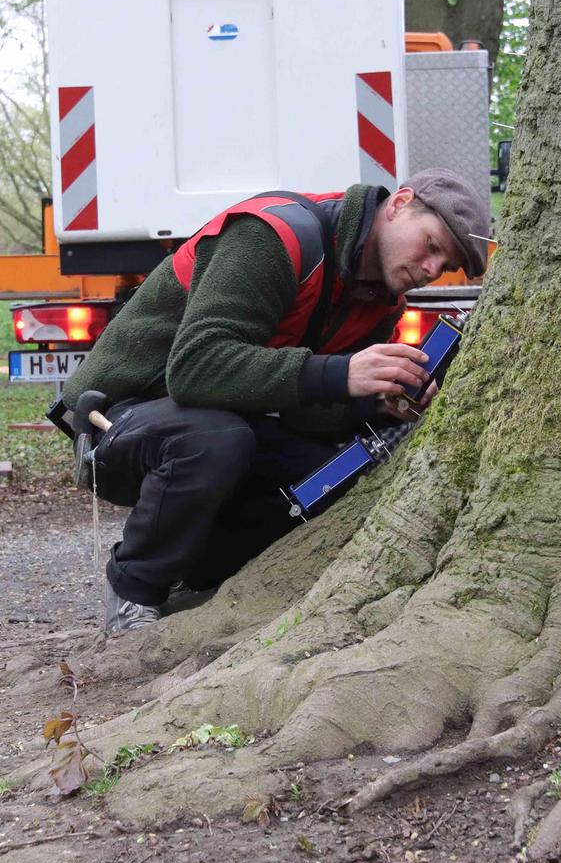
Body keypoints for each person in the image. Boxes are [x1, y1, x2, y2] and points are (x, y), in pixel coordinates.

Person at [58, 170, 491, 634]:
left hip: (228, 419)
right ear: (399, 203)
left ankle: (202, 576)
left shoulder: (379, 302)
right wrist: (341, 373)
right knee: (218, 440)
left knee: (338, 468)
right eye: (430, 244)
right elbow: (193, 370)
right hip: (117, 419)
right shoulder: (273, 236)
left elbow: (307, 412)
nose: (430, 269)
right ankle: (134, 591)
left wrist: (373, 402)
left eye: (443, 265)